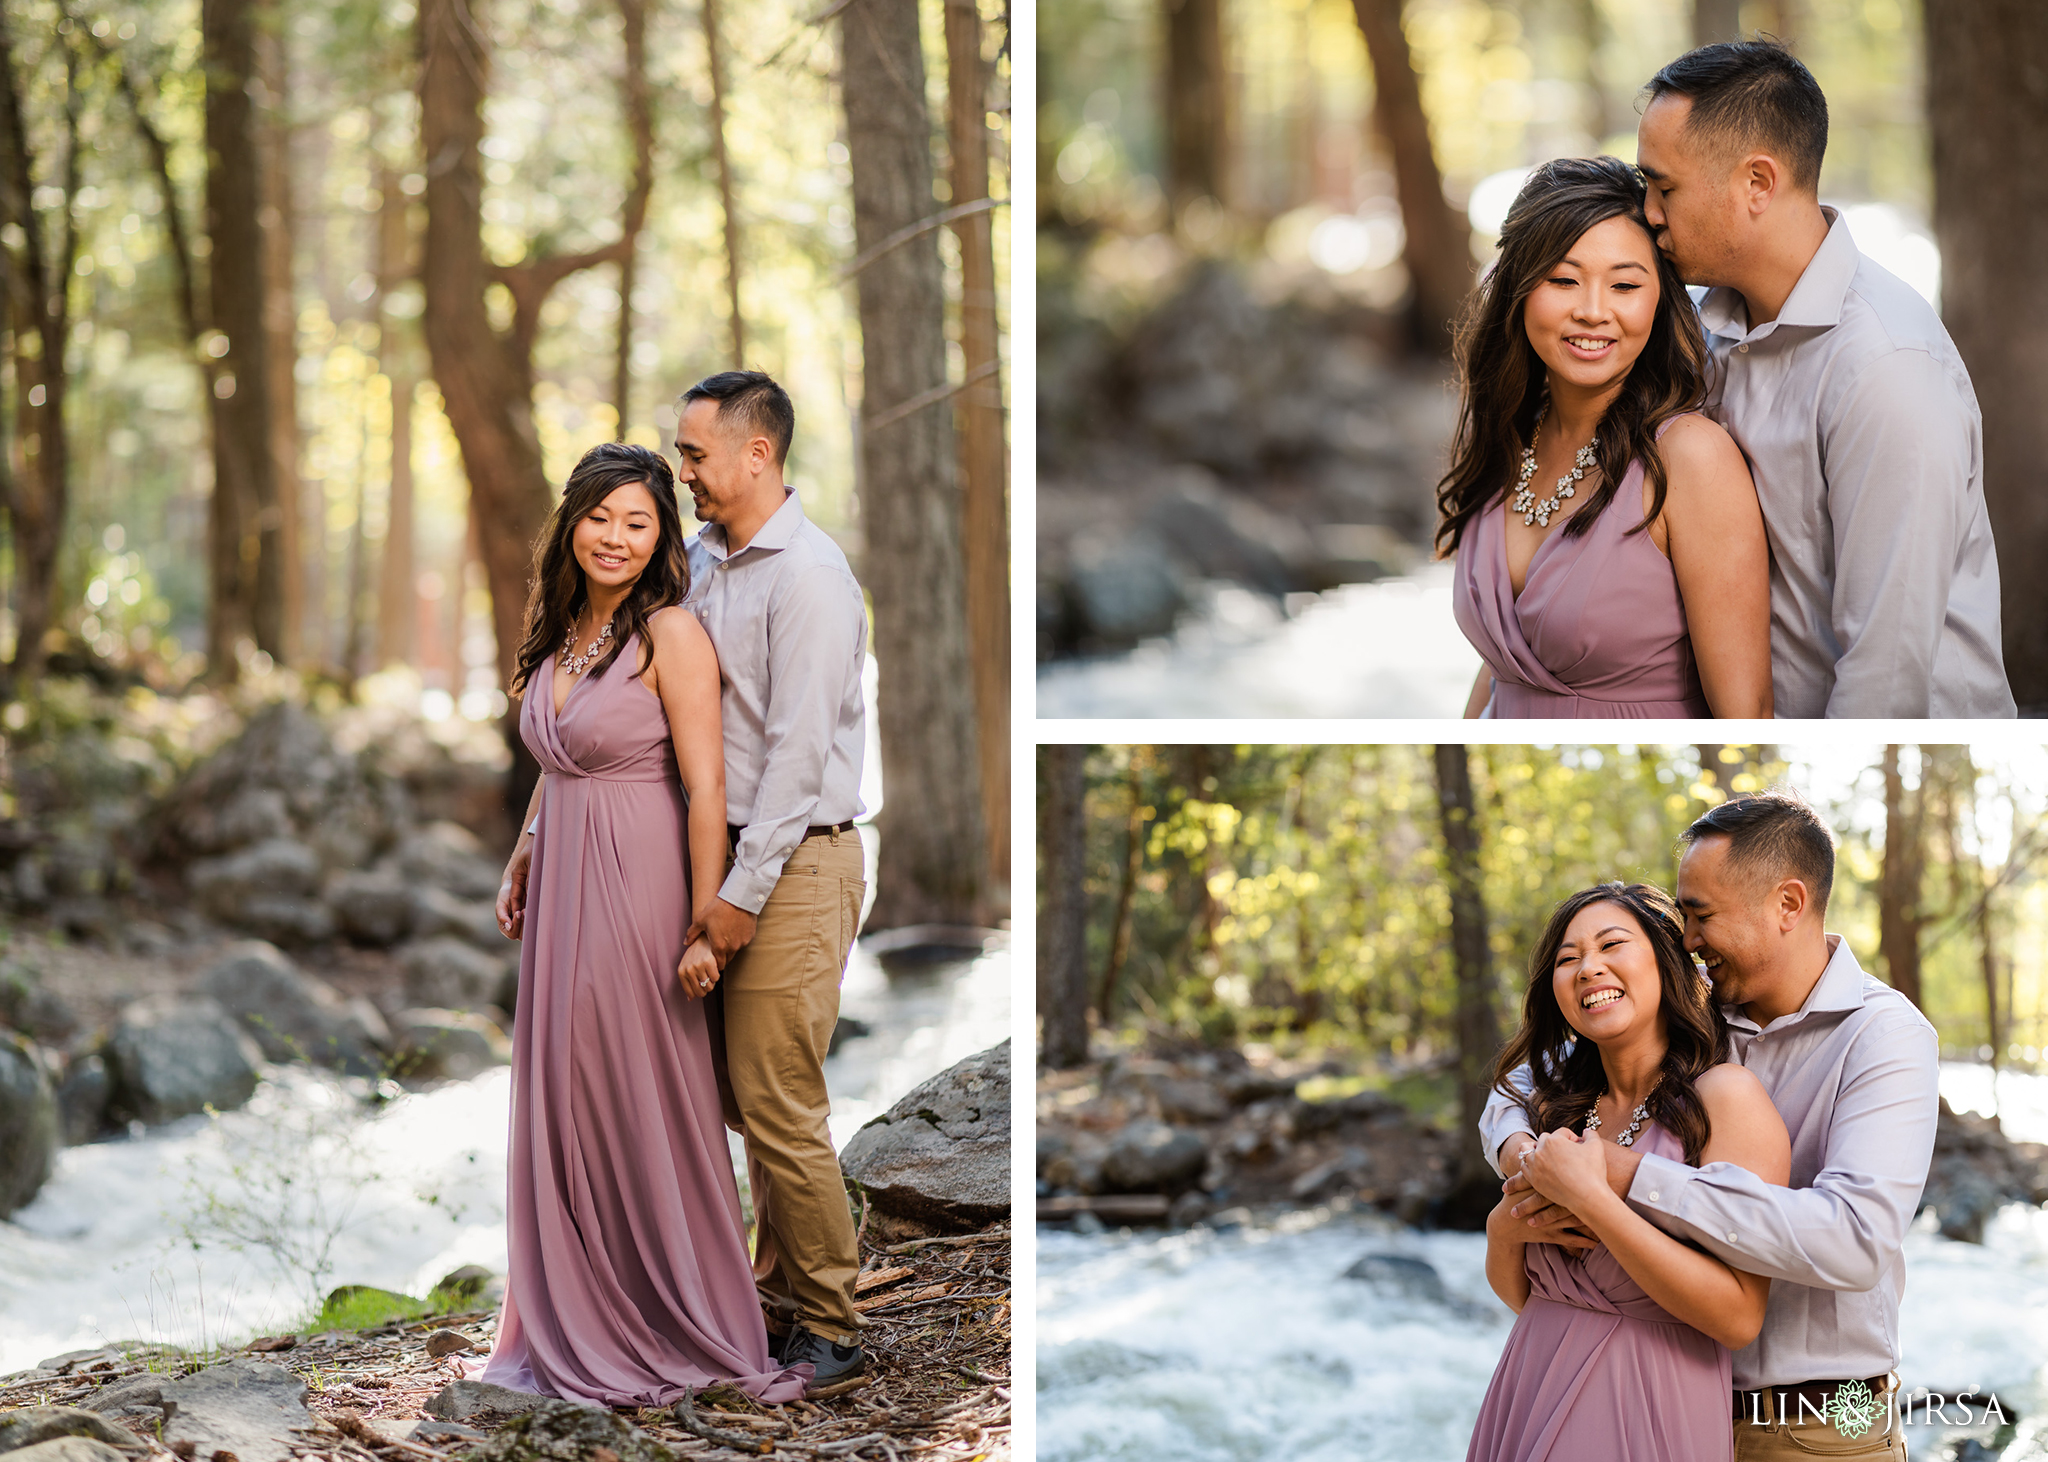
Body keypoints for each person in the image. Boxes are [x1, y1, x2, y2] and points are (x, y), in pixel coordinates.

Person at [484, 441, 809, 1405]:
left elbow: (708, 787)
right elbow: (557, 758)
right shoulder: (558, 627)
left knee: (638, 1085)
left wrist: (709, 925)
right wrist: (525, 845)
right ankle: (570, 1299)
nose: (617, 538)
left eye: (639, 521)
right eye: (601, 518)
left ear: (663, 533)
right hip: (564, 885)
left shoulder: (670, 632)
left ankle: (671, 1310)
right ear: (572, 523)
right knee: (567, 1086)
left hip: (640, 881)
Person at [1485, 791, 1937, 1460]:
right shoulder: (1697, 1017)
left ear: (1788, 905)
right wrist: (1523, 1154)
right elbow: (1523, 1084)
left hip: (1807, 1423)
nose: (1687, 939)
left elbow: (1856, 1238)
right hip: (1661, 1394)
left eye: (1700, 915)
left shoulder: (1883, 1035)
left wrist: (1623, 1173)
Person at [1635, 41, 2014, 718]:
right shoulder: (1701, 325)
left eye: (1665, 188)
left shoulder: (1887, 370)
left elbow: (1885, 673)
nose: (1649, 212)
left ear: (1757, 183)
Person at [673, 370, 872, 1395]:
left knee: (778, 1099)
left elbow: (796, 760)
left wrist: (740, 895)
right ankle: (770, 1296)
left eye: (696, 453)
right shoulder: (704, 561)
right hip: (729, 854)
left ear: (758, 454)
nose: (684, 471)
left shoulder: (809, 578)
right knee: (727, 1092)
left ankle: (830, 1329)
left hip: (795, 858)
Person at [1441, 155, 1772, 718]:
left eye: (1624, 285)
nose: (1593, 312)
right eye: (1564, 280)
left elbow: (1747, 714)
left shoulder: (1689, 458)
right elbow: (1505, 666)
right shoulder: (1511, 434)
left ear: (1660, 301)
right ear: (1520, 289)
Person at [1469, 881, 1788, 1462]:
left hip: (1650, 1403)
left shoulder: (1727, 1100)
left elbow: (1740, 1317)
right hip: (1527, 1388)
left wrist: (1595, 1201)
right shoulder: (1555, 1107)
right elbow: (1530, 1298)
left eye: (1612, 945)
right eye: (1568, 959)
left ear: (1667, 963)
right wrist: (1502, 1231)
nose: (1589, 968)